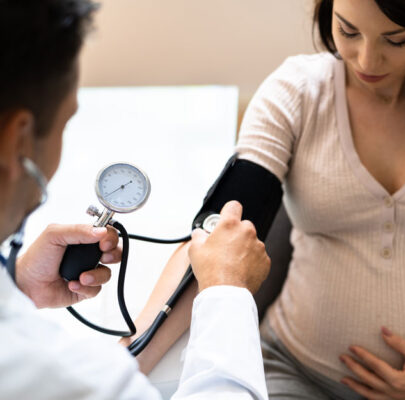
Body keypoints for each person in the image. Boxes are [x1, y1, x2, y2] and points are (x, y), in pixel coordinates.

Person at [137, 0, 405, 399]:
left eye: (396, 39)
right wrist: (128, 361)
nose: (366, 58)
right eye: (348, 30)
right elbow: (218, 240)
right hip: (296, 371)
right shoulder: (296, 93)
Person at [0, 1, 270, 398]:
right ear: (17, 141)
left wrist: (18, 285)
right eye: (66, 121)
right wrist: (226, 292)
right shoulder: (62, 373)